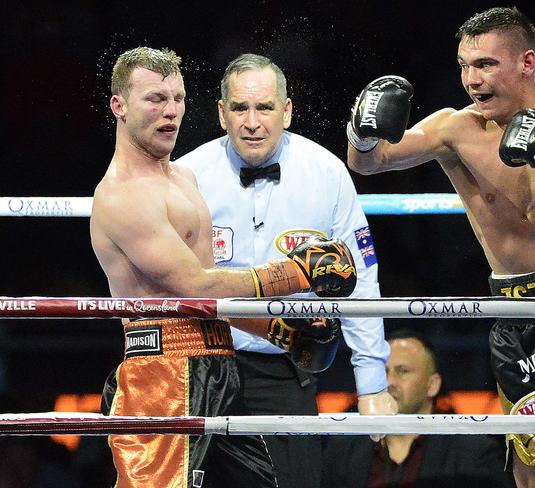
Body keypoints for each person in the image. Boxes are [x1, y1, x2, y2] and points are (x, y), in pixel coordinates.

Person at [346, 7, 535, 488]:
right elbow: (371, 162)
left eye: (485, 64)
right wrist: (361, 131)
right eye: (464, 65)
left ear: (526, 62)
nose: (470, 79)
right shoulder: (454, 130)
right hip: (519, 312)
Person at [90, 46, 357, 488]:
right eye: (155, 99)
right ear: (119, 106)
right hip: (163, 374)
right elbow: (194, 284)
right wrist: (296, 274)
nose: (170, 111)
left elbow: (209, 303)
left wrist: (275, 330)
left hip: (218, 361)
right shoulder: (122, 195)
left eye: (177, 98)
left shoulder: (183, 179)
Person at [175, 52, 395, 488]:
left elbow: (361, 278)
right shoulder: (187, 175)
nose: (252, 122)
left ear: (287, 111)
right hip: (204, 363)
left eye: (265, 107)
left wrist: (371, 382)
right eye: (240, 108)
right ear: (222, 113)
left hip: (285, 365)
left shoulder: (327, 173)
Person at [322, 327, 514, 487]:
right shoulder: (341, 450)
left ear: (432, 385)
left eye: (403, 371)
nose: (389, 381)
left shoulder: (475, 453)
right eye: (383, 371)